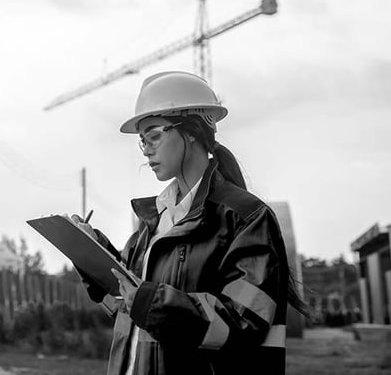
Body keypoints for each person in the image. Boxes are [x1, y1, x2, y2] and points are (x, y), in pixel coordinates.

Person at [73, 70, 303, 375]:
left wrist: (151, 304)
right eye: (142, 141)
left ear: (192, 130)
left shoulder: (246, 218)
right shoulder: (155, 220)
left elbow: (244, 322)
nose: (147, 149)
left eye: (154, 134)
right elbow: (125, 303)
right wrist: (89, 251)